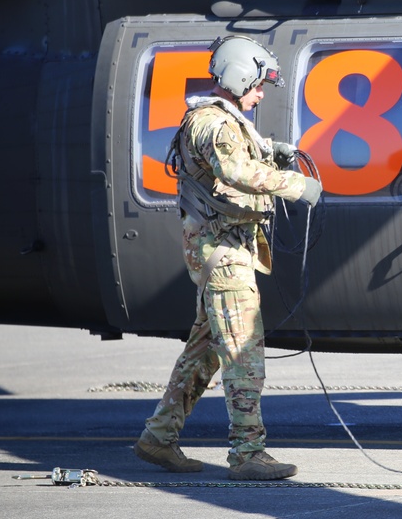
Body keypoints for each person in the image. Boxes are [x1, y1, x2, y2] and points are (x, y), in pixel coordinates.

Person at [134, 36, 322, 480]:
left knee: (204, 352)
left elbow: (233, 156)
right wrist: (295, 185)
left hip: (224, 249)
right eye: (258, 85)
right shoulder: (213, 124)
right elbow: (233, 170)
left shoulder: (223, 121)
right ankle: (247, 453)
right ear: (239, 77)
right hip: (224, 254)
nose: (260, 94)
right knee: (242, 350)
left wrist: (271, 149)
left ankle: (158, 439)